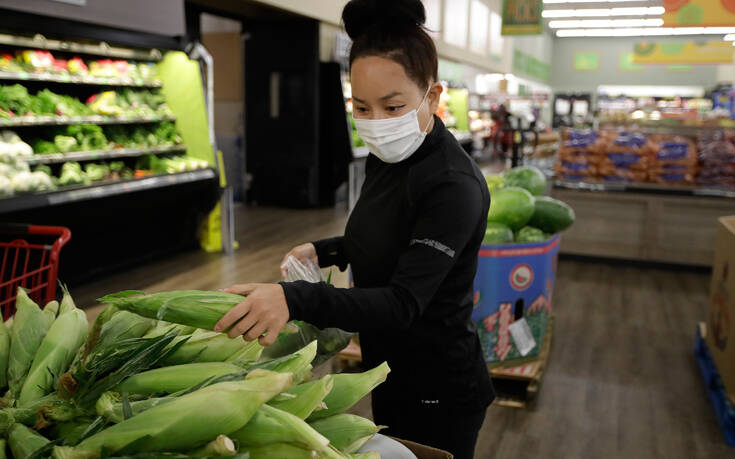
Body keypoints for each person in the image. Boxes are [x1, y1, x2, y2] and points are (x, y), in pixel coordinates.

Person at [215, 1, 494, 457]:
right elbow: (388, 234)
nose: (377, 124)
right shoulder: (388, 157)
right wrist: (323, 250)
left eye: (394, 106)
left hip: (440, 386)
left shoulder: (452, 185)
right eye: (361, 107)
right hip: (388, 368)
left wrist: (293, 298)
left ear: (434, 95)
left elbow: (404, 302)